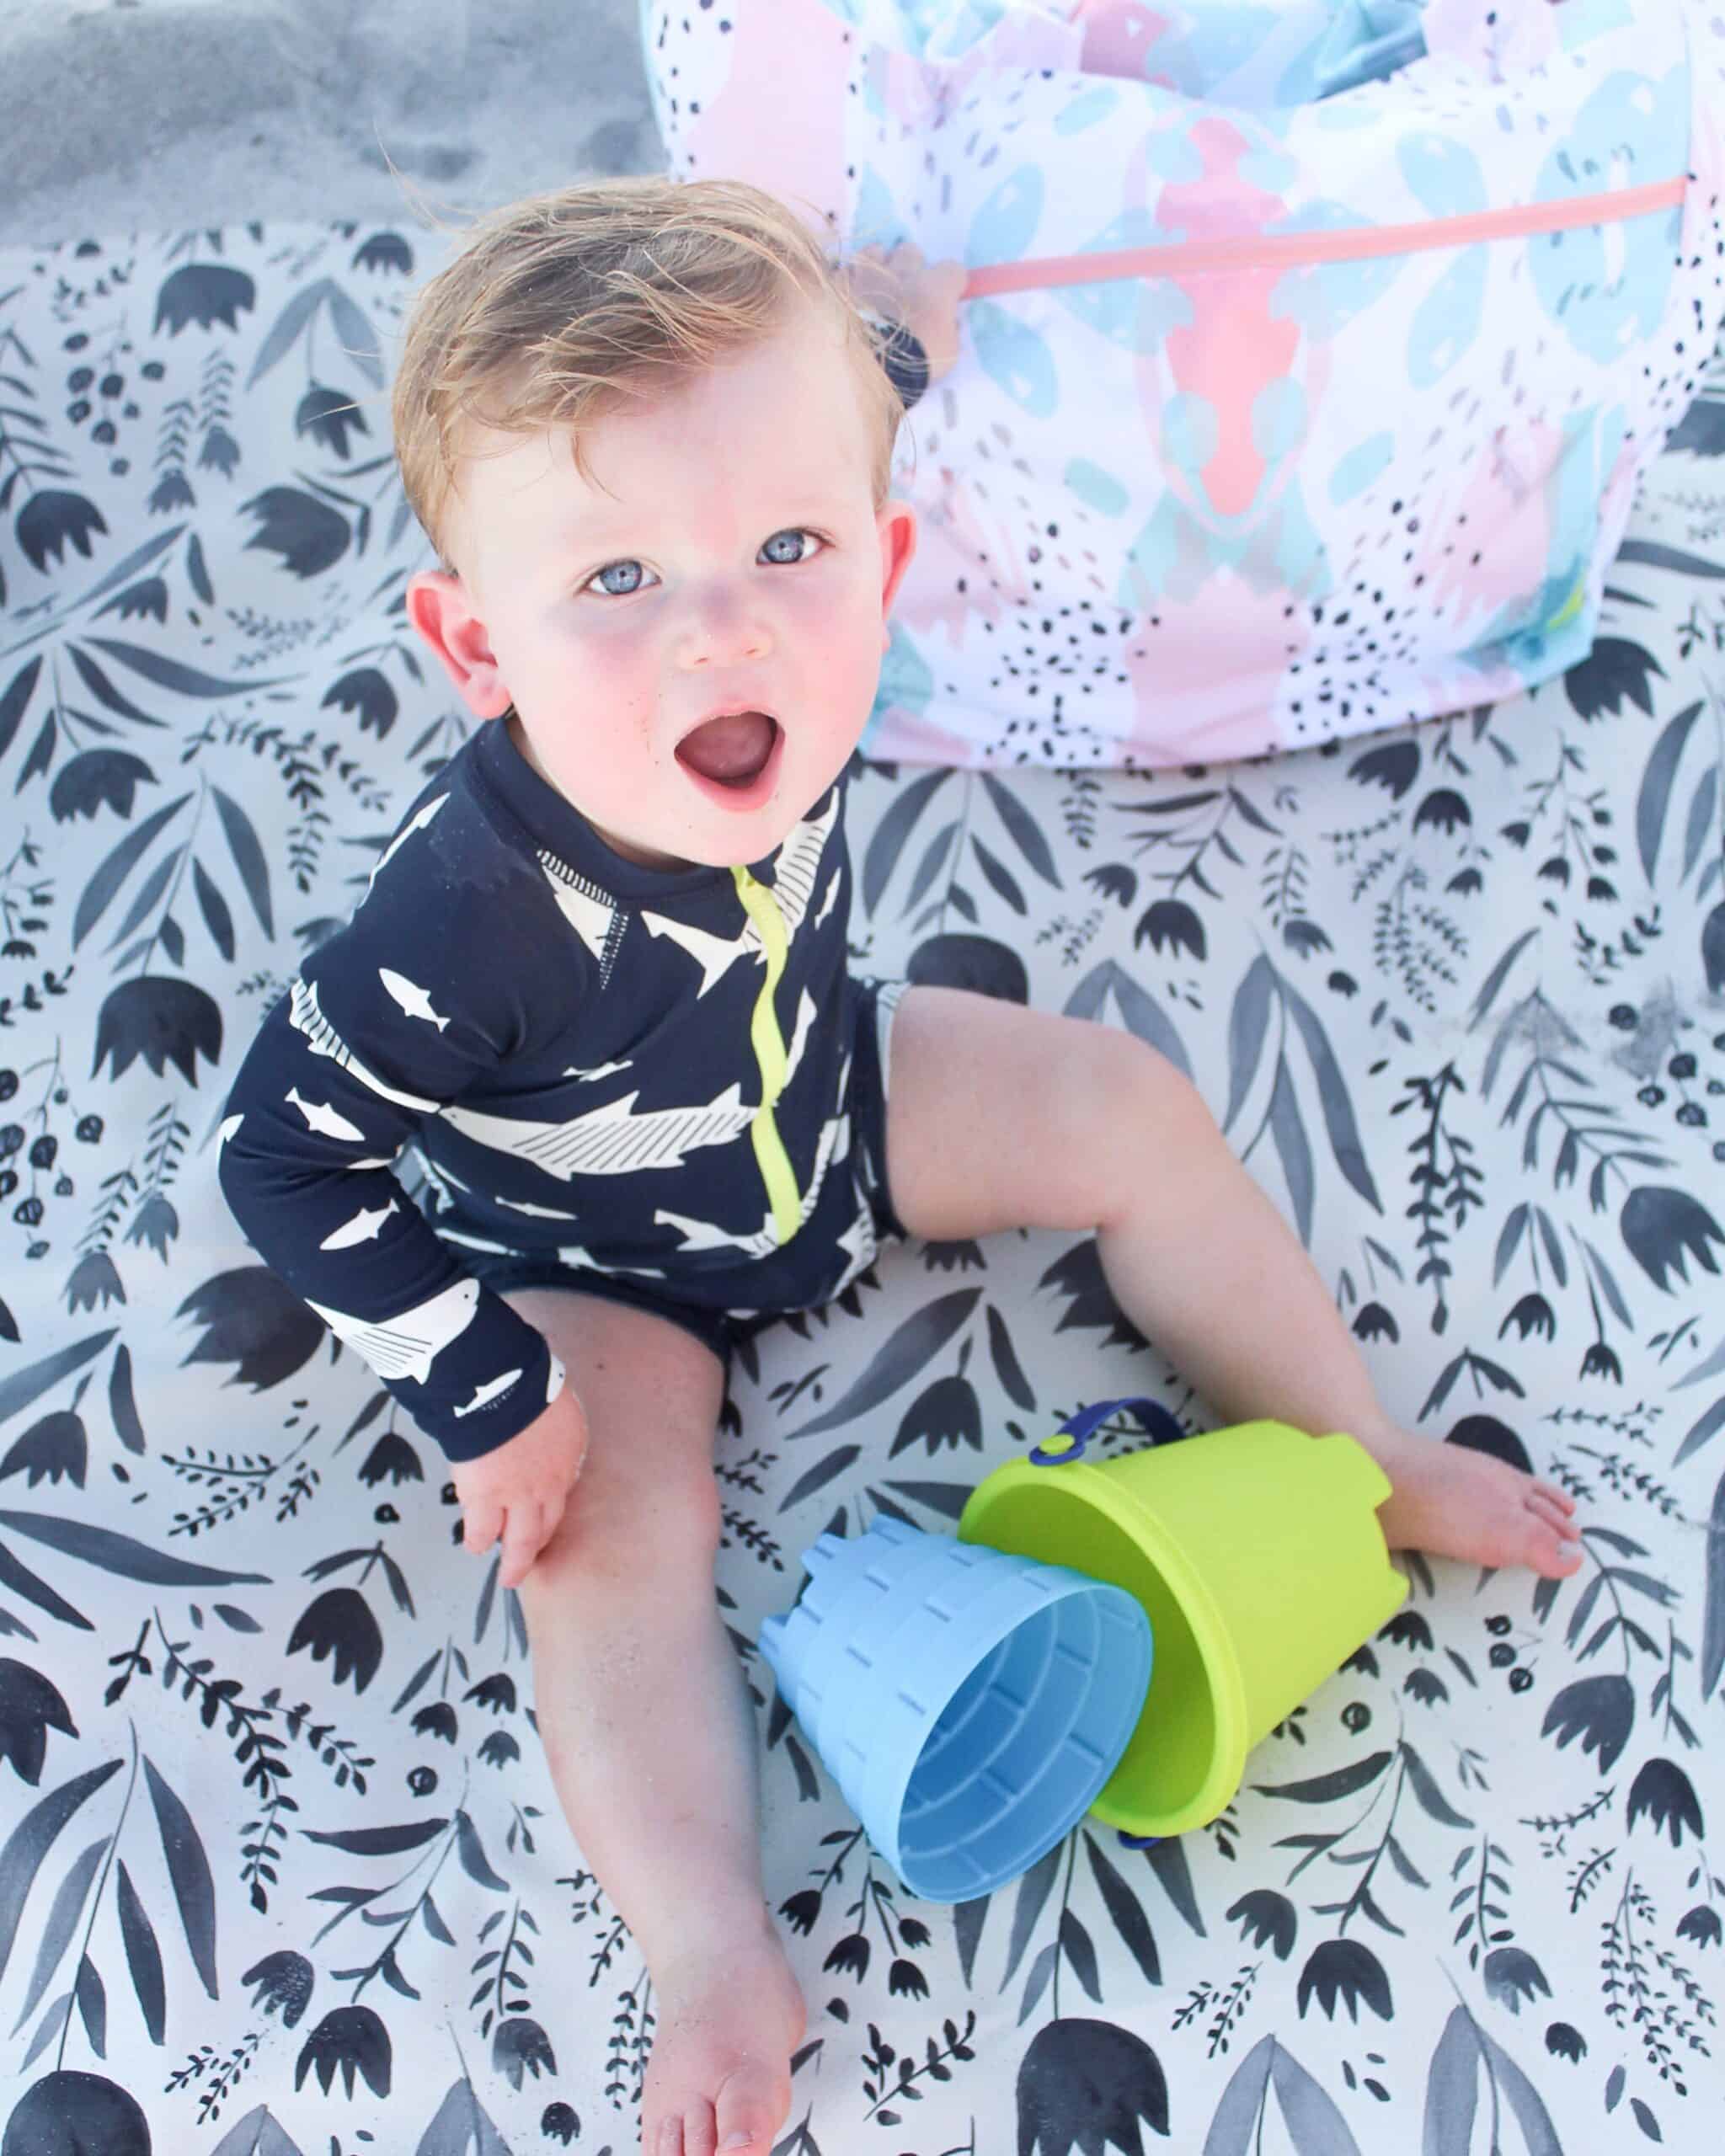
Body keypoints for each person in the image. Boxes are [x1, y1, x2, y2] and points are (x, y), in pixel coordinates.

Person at [216, 175, 1583, 2156]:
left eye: (789, 547)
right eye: (611, 583)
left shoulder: (794, 537)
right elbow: (278, 1150)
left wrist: (891, 321)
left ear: (884, 555)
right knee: (603, 1537)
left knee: (1119, 1099)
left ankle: (1352, 1452)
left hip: (823, 1098)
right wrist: (479, 1381)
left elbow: (832, 386)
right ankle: (710, 1946)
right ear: (472, 642)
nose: (719, 625)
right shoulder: (468, 918)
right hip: (594, 1245)